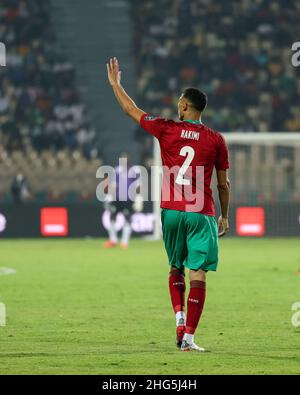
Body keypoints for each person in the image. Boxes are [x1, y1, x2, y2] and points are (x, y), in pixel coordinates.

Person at [106, 57, 230, 352]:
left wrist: (116, 84)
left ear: (186, 107)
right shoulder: (216, 140)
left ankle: (178, 317)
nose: (177, 105)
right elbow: (223, 184)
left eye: (179, 102)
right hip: (200, 213)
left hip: (172, 210)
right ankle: (188, 337)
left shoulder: (166, 129)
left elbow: (129, 109)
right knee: (197, 272)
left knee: (175, 266)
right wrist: (224, 217)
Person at [104, 152, 142, 249]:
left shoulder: (134, 170)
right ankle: (113, 240)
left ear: (129, 160)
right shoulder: (117, 170)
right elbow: (113, 185)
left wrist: (138, 198)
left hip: (128, 198)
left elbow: (138, 185)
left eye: (126, 158)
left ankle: (125, 242)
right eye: (122, 158)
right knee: (112, 216)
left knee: (128, 218)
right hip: (117, 198)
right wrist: (109, 196)